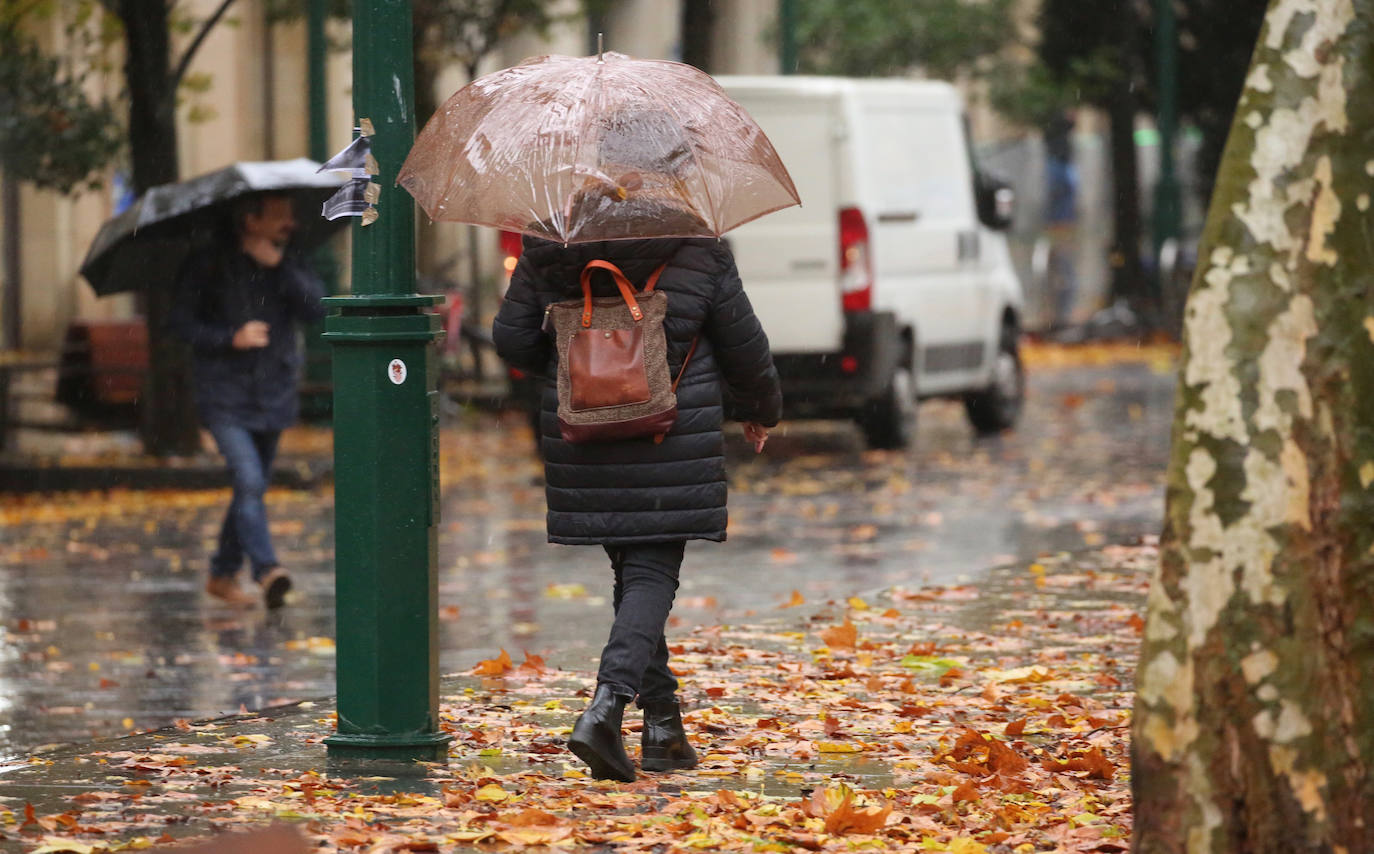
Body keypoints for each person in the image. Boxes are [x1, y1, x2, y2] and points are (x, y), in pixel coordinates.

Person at [494, 233, 780, 781]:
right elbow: (744, 345)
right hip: (666, 433)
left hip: (584, 433)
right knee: (650, 573)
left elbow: (510, 339)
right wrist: (761, 406)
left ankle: (664, 725)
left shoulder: (550, 242)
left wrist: (580, 366)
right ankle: (606, 708)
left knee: (633, 570)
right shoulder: (698, 246)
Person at [168, 193, 325, 609]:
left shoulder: (291, 259)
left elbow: (316, 309)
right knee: (250, 480)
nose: (289, 223)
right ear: (249, 220)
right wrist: (229, 338)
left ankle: (221, 574)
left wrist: (280, 268)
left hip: (274, 392)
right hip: (222, 393)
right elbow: (181, 323)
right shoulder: (209, 262)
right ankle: (266, 570)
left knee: (248, 488)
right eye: (280, 215)